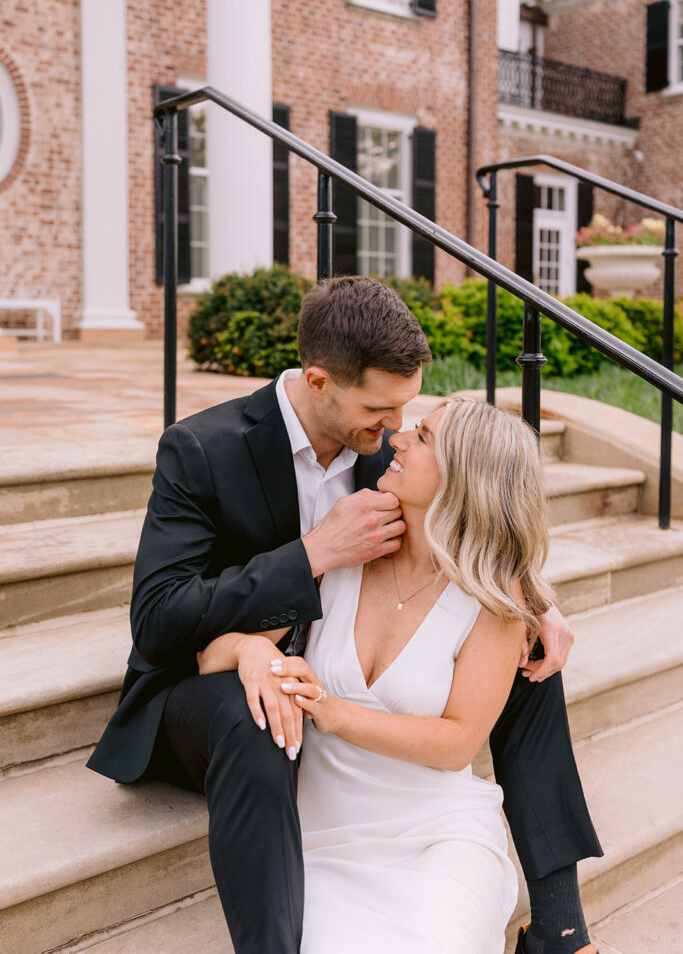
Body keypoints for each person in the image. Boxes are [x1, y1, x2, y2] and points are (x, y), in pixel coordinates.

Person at [88, 276, 602, 954]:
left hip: (342, 696)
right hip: (217, 685)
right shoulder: (203, 448)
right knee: (257, 708)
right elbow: (159, 624)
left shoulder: (378, 452)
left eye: (407, 413)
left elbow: (473, 509)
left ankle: (559, 923)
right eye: (381, 409)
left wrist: (532, 597)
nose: (394, 430)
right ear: (319, 382)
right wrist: (309, 558)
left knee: (529, 656)